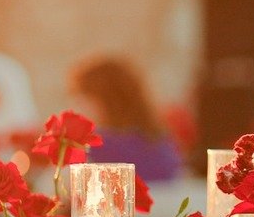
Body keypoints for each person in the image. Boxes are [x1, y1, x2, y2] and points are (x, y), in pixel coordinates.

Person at [68, 54, 183, 182]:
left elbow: (56, 189)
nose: (77, 106)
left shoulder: (95, 147)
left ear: (103, 100)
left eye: (81, 98)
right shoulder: (163, 142)